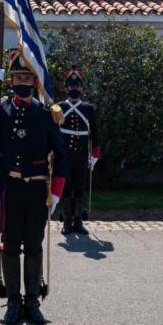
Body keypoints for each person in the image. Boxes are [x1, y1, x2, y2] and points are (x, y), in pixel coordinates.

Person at [0, 50, 66, 325]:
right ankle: (13, 301)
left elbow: (61, 154)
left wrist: (56, 191)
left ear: (35, 82)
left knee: (33, 246)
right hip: (9, 189)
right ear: (9, 82)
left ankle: (32, 301)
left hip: (36, 190)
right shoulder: (1, 109)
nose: (22, 81)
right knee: (9, 246)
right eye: (17, 76)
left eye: (27, 77)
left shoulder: (46, 114)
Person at [56, 65, 100, 235]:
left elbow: (94, 132)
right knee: (66, 187)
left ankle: (78, 222)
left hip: (81, 154)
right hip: (65, 154)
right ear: (66, 88)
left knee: (79, 186)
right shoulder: (59, 107)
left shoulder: (88, 108)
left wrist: (95, 153)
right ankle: (66, 222)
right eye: (71, 86)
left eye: (77, 86)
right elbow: (54, 132)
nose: (74, 88)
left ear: (81, 88)